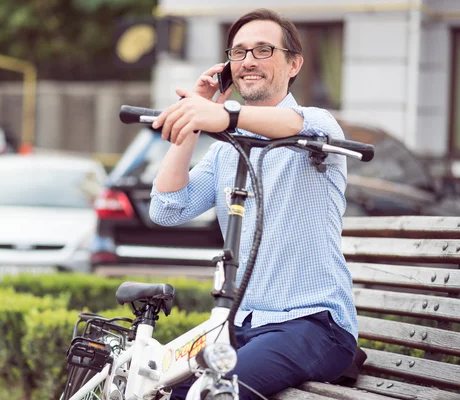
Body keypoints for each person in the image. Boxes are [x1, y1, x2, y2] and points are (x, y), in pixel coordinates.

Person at [149, 8, 357, 399]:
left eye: (263, 50)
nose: (247, 61)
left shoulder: (318, 126)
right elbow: (166, 208)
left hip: (314, 325)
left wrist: (222, 115)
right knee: (163, 390)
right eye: (239, 52)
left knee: (214, 394)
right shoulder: (227, 150)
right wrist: (193, 119)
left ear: (294, 63)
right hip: (241, 325)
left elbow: (294, 125)